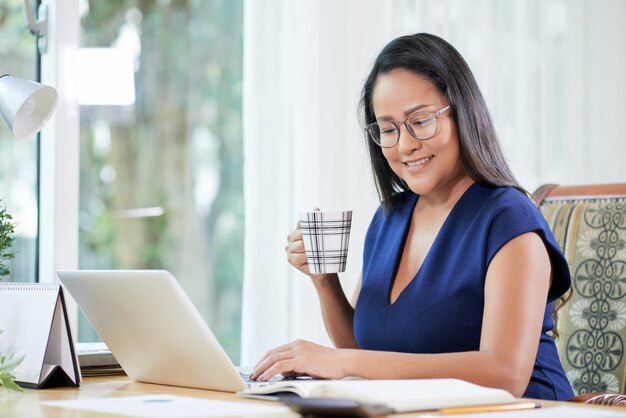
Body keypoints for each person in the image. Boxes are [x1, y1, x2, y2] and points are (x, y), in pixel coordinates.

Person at [249, 33, 574, 401]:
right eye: (388, 129)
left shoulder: (510, 220)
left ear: (461, 112)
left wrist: (341, 362)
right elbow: (363, 350)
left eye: (420, 121)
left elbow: (504, 375)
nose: (405, 145)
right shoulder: (390, 218)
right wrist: (324, 282)